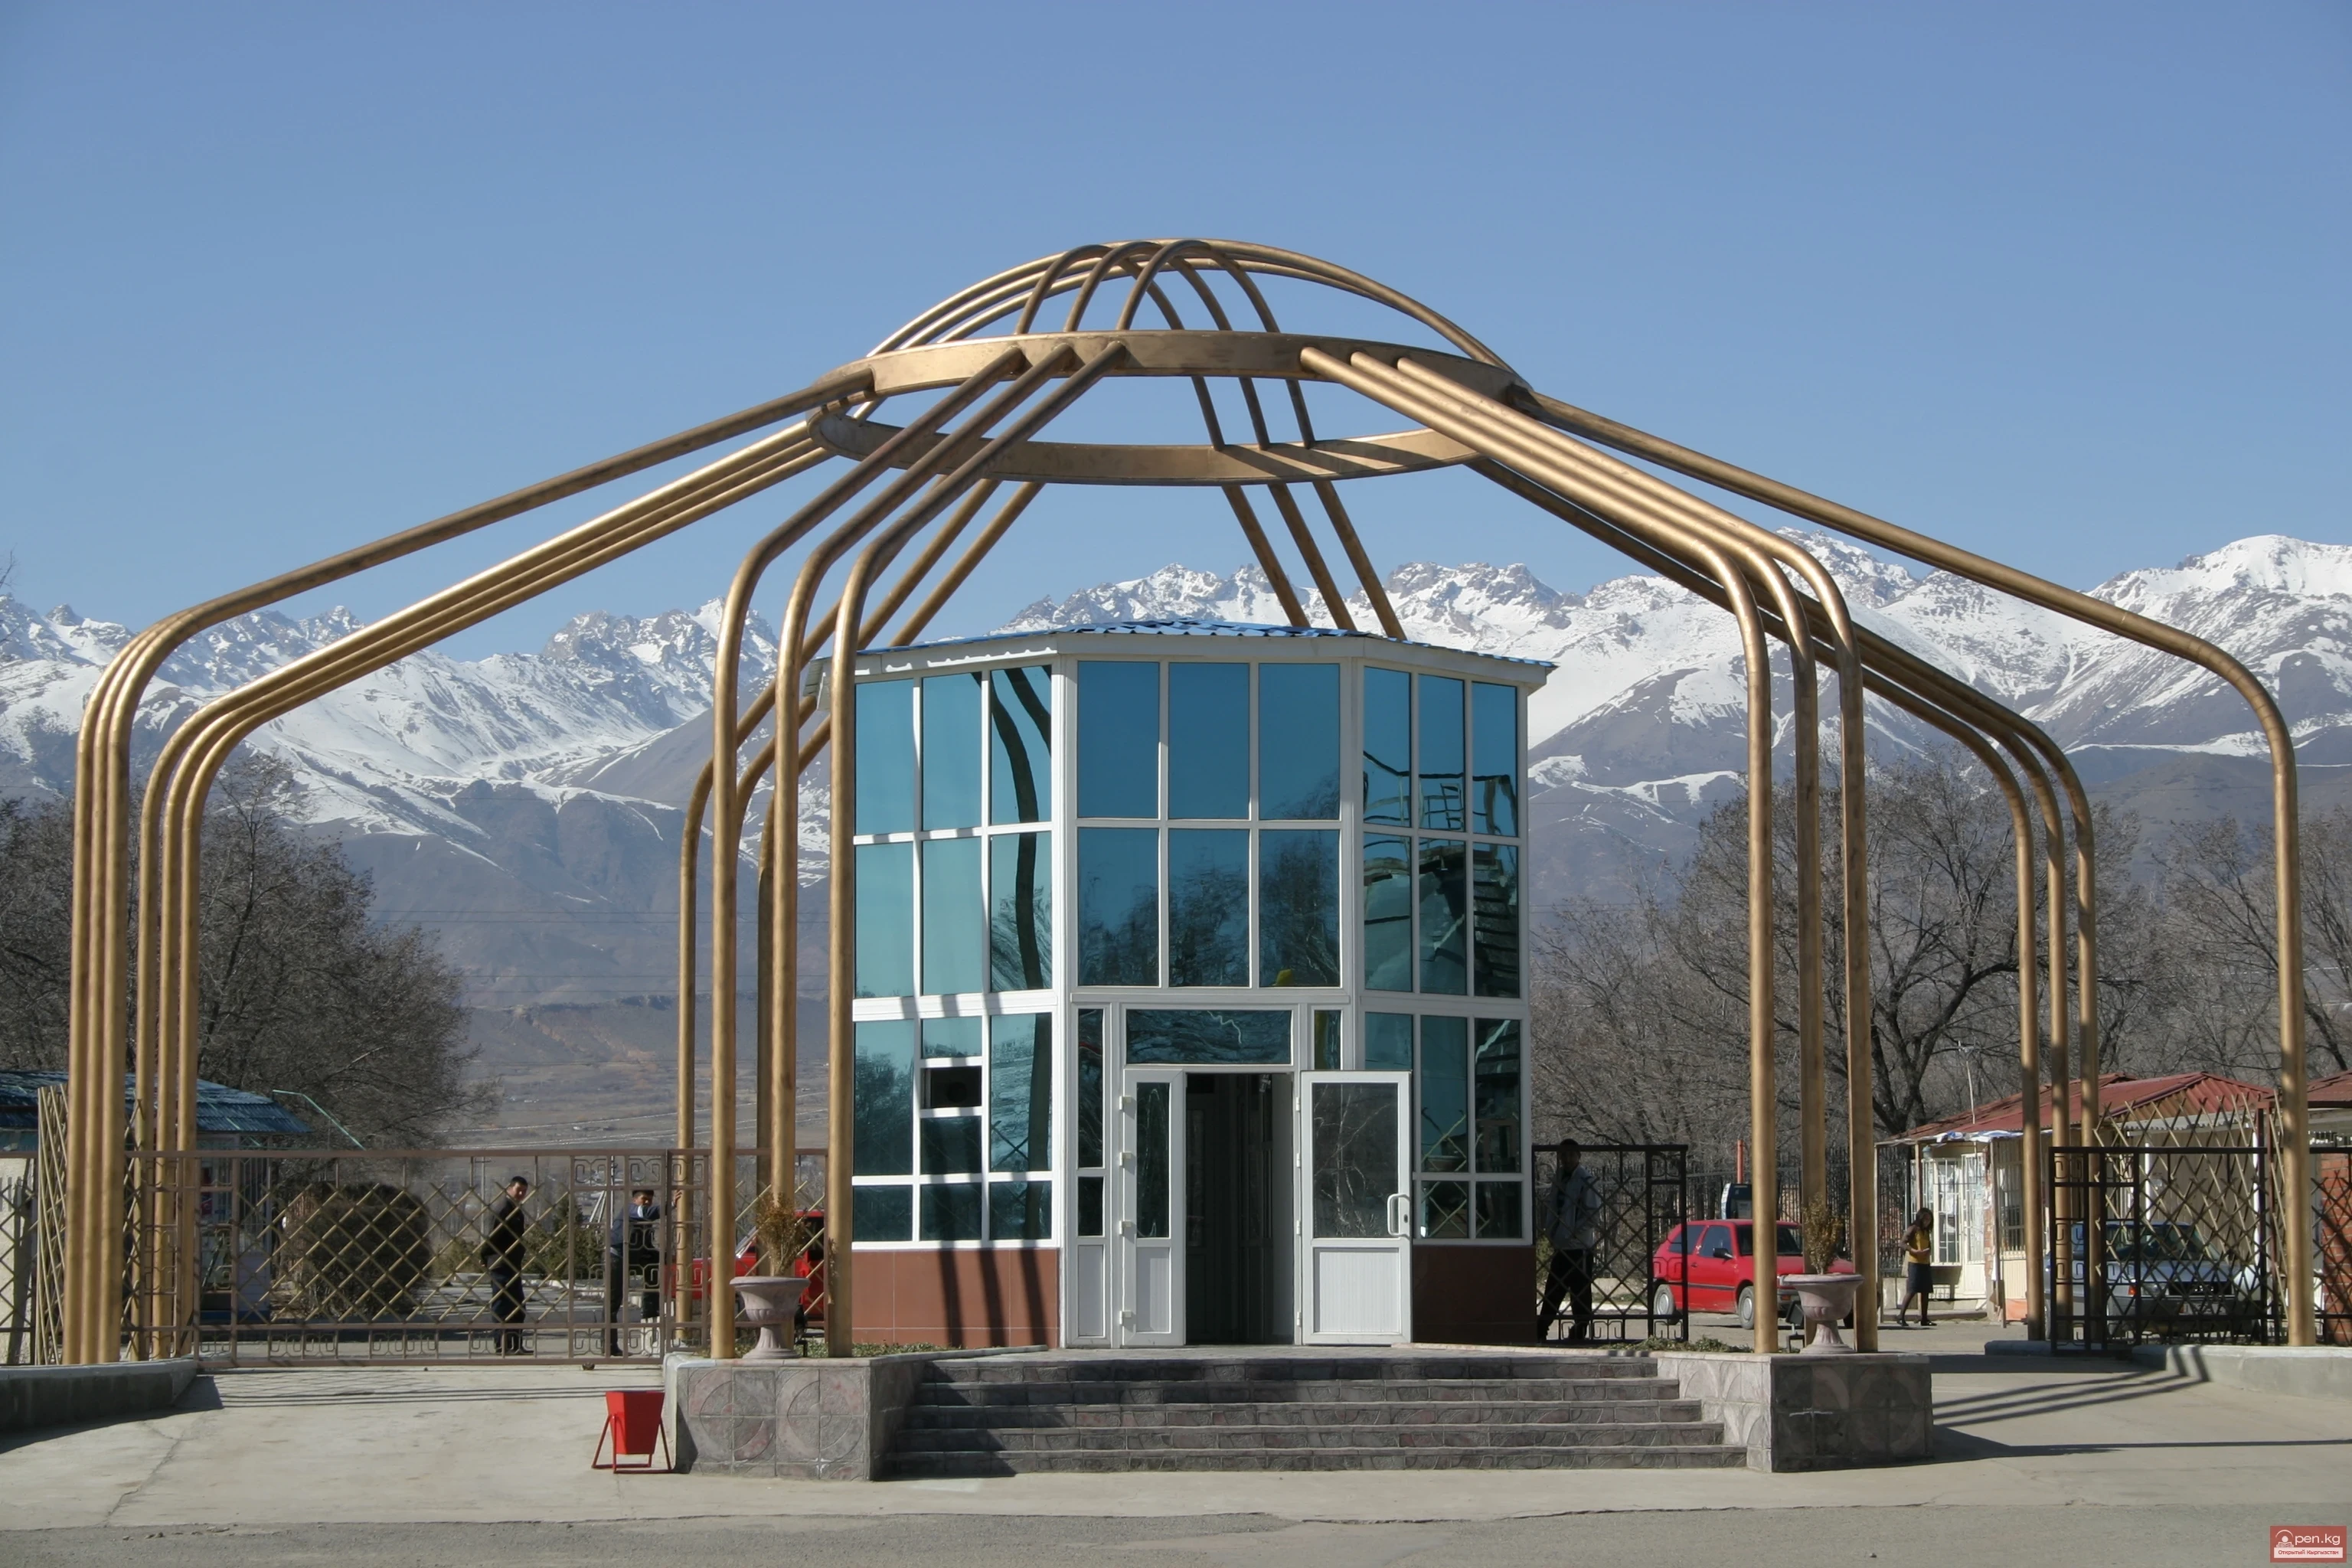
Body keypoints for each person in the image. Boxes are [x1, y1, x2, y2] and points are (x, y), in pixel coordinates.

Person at [1538, 1139, 1602, 1342]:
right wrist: (1553, 1233)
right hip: (1561, 1245)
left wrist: (1571, 1232)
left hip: (1579, 1247)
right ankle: (1541, 1329)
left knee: (1580, 1291)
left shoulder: (1586, 1180)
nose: (1567, 1159)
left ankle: (1580, 1330)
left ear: (1578, 1156)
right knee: (1554, 1289)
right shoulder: (1559, 1178)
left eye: (1571, 1155)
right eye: (1563, 1155)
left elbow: (1593, 1215)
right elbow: (1553, 1207)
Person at [605, 1187, 663, 1356]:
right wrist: (672, 1205)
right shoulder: (630, 1210)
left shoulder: (644, 1220)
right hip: (616, 1257)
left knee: (654, 1265)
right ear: (635, 1200)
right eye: (644, 1199)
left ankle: (651, 1312)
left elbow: (647, 1247)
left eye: (650, 1200)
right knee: (613, 1302)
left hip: (633, 1257)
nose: (647, 1202)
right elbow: (647, 1213)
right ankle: (610, 1346)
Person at [482, 1175, 531, 1355]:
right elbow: (492, 1236)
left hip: (512, 1264)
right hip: (500, 1263)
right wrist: (485, 1257)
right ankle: (502, 1346)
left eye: (524, 1191)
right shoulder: (503, 1208)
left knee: (517, 1306)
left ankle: (515, 1345)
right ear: (509, 1189)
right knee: (503, 1305)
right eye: (518, 1190)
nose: (521, 1194)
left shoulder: (515, 1209)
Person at [1896, 1207, 1936, 1327]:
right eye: (1925, 1219)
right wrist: (1913, 1251)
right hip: (1915, 1263)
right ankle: (1901, 1316)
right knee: (1912, 1290)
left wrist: (1928, 1252)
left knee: (1925, 1291)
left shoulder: (1926, 1231)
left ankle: (1924, 1318)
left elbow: (1928, 1245)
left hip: (1925, 1263)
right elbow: (1902, 1243)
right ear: (1920, 1218)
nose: (1927, 1222)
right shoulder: (1913, 1229)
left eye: (1929, 1220)